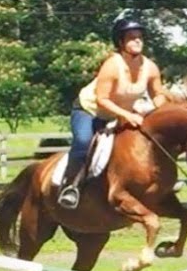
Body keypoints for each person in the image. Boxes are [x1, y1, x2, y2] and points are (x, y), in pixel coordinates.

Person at [58, 18, 171, 209]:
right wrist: (127, 115)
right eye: (132, 38)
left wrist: (152, 108)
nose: (138, 41)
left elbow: (159, 94)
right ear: (120, 42)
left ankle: (162, 182)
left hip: (120, 113)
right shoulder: (112, 65)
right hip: (90, 111)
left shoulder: (150, 67)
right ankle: (70, 186)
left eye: (140, 38)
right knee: (84, 143)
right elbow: (102, 99)